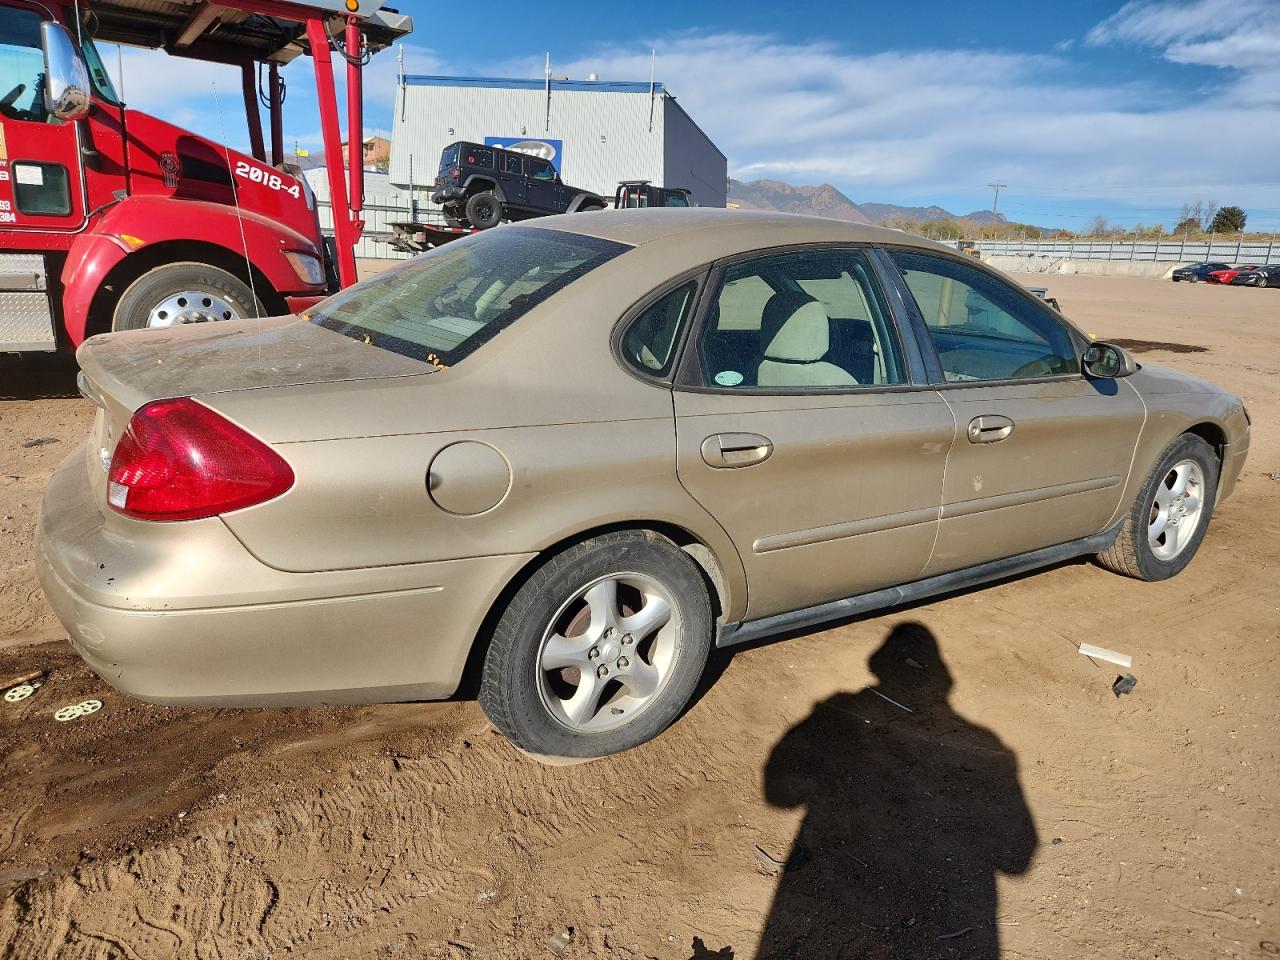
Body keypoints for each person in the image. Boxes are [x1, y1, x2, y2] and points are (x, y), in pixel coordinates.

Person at [757, 622, 1036, 959]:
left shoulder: (836, 712)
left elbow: (779, 793)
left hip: (828, 901)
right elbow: (1017, 858)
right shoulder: (988, 746)